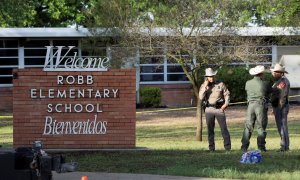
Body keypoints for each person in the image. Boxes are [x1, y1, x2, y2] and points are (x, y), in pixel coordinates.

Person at [199, 68, 231, 152]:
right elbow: (200, 97)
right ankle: (211, 148)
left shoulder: (220, 84)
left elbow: (227, 94)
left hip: (219, 109)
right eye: (209, 76)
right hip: (209, 109)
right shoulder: (204, 86)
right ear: (207, 77)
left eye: (212, 76)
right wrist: (205, 86)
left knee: (224, 129)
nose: (211, 78)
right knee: (210, 130)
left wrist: (226, 104)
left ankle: (227, 148)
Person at [241, 65, 270, 152]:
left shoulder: (247, 83)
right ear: (261, 74)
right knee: (261, 127)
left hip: (250, 105)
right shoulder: (265, 83)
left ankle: (244, 146)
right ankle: (261, 147)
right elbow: (271, 92)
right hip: (260, 105)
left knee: (248, 126)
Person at [270, 63, 290, 152]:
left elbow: (283, 96)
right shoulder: (278, 81)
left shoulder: (283, 81)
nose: (274, 74)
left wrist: (279, 108)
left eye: (276, 72)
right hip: (277, 107)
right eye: (274, 72)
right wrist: (274, 108)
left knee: (282, 127)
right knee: (280, 126)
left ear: (281, 73)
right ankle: (284, 146)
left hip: (281, 107)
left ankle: (284, 146)